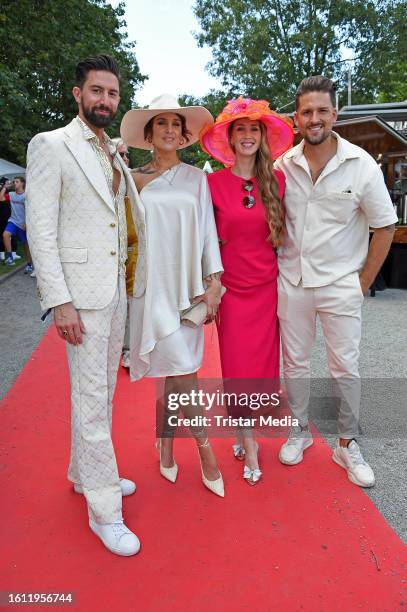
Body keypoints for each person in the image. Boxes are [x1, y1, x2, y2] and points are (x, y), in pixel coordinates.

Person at [26, 55, 144, 556]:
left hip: (114, 290)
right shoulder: (51, 145)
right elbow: (41, 229)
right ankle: (104, 510)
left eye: (113, 94)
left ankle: (84, 473)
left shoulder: (111, 151)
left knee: (98, 395)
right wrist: (60, 302)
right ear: (78, 94)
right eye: (96, 91)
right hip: (82, 298)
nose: (105, 101)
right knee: (94, 399)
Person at [275, 76, 397, 487]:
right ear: (296, 118)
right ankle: (298, 430)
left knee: (345, 366)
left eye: (322, 111)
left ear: (335, 115)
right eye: (306, 111)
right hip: (292, 282)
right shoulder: (281, 165)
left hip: (340, 284)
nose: (314, 118)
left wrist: (362, 282)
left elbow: (385, 226)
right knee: (294, 364)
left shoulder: (361, 165)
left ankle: (347, 445)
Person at [121, 94, 225, 497]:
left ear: (183, 135)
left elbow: (206, 234)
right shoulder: (133, 178)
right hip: (149, 287)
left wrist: (213, 282)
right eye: (160, 123)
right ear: (149, 134)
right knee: (180, 372)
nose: (168, 130)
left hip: (187, 288)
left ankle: (165, 441)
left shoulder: (198, 178)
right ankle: (204, 450)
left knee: (175, 374)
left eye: (175, 124)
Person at [200, 97, 294, 485]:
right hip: (232, 292)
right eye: (240, 129)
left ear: (262, 136)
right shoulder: (212, 184)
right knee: (237, 370)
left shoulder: (279, 180)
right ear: (230, 137)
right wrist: (210, 284)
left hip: (267, 289)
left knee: (260, 371)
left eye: (254, 129)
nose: (247, 135)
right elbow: (204, 242)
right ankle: (250, 444)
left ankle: (243, 433)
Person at [1, 176, 33, 273]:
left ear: (22, 183)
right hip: (13, 221)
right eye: (14, 182)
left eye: (17, 182)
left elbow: (31, 211)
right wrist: (5, 187)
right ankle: (10, 258)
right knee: (5, 235)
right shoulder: (11, 194)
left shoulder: (26, 196)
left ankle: (29, 265)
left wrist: (27, 223)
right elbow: (1, 198)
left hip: (23, 224)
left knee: (26, 246)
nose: (15, 183)